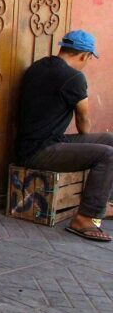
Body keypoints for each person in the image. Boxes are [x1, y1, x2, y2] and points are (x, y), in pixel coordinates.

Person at [14, 29, 113, 242]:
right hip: (39, 151)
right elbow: (83, 121)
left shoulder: (37, 67)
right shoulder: (74, 78)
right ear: (84, 56)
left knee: (110, 141)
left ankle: (103, 204)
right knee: (107, 154)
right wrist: (86, 145)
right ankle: (85, 218)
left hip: (33, 144)